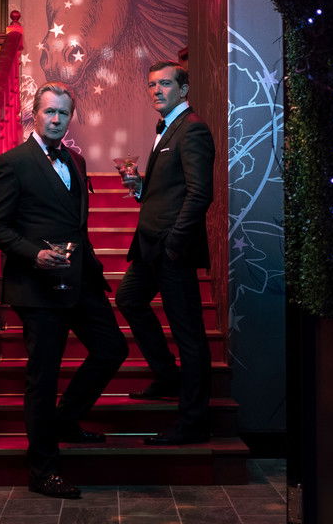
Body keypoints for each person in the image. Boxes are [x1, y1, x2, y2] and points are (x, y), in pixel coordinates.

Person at [0, 81, 128, 498]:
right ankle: (42, 471)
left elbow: (76, 223)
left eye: (63, 113)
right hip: (37, 285)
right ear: (35, 114)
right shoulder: (12, 162)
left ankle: (65, 420)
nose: (56, 119)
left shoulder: (75, 160)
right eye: (49, 111)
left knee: (112, 349)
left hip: (80, 278)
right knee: (42, 379)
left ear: (70, 117)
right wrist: (35, 255)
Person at [115, 61, 215, 445]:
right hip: (149, 246)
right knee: (129, 299)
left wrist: (174, 243)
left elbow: (199, 194)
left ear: (183, 89)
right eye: (152, 84)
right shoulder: (168, 127)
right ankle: (168, 376)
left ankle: (193, 423)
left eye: (165, 84)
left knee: (189, 335)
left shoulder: (193, 129)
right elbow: (168, 191)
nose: (156, 90)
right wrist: (139, 186)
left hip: (172, 248)